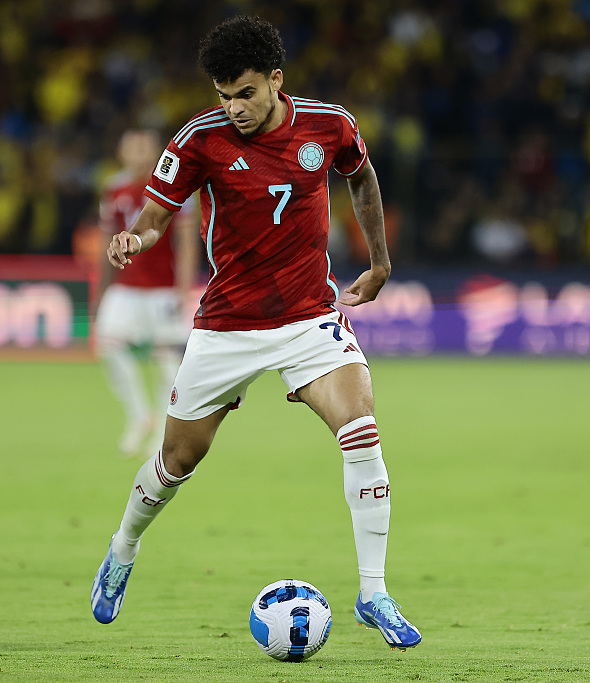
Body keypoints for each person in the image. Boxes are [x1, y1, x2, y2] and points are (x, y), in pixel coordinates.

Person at [89, 16, 421, 650]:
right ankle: (122, 548)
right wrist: (138, 236)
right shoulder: (198, 140)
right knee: (176, 460)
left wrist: (379, 263)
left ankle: (374, 592)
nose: (232, 108)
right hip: (228, 327)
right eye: (222, 95)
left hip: (307, 317)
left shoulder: (330, 125)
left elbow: (362, 177)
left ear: (275, 80)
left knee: (362, 431)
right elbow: (158, 215)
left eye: (244, 93)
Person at [95, 129, 199, 458]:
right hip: (125, 287)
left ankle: (162, 436)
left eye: (143, 147)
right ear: (121, 152)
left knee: (167, 362)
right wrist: (101, 287)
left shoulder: (173, 185)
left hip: (162, 290)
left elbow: (186, 241)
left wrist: (183, 289)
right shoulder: (114, 188)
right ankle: (140, 414)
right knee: (106, 344)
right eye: (131, 146)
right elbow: (104, 241)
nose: (137, 153)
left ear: (155, 152)